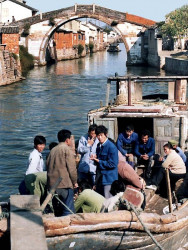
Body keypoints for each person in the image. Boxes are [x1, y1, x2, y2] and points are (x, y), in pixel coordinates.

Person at [47, 129, 78, 216]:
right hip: (65, 185)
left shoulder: (52, 150)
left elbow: (48, 167)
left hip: (52, 186)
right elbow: (72, 169)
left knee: (58, 210)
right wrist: (75, 182)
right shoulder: (67, 150)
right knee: (68, 210)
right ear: (67, 140)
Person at [90, 125, 118, 198]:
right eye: (98, 135)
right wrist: (95, 159)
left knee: (108, 199)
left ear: (106, 135)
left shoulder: (111, 147)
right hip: (100, 178)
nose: (99, 137)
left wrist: (99, 161)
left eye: (101, 135)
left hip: (109, 178)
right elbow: (98, 161)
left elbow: (113, 164)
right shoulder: (99, 146)